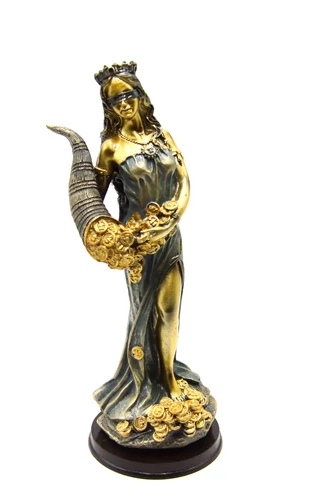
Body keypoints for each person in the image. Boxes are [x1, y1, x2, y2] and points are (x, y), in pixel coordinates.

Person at [92, 63, 200, 422]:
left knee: (169, 310)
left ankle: (167, 377)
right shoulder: (111, 148)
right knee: (143, 313)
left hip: (169, 237)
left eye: (127, 94)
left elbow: (184, 181)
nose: (123, 103)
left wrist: (173, 216)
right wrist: (112, 239)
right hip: (137, 248)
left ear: (139, 94)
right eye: (115, 100)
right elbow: (96, 202)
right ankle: (143, 378)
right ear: (108, 107)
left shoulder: (163, 136)